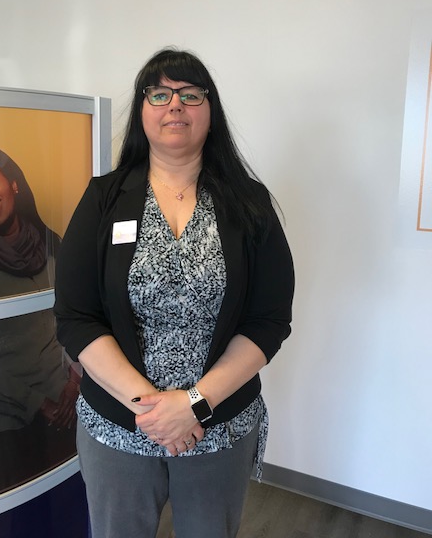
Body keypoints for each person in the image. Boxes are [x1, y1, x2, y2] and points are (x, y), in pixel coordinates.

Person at [54, 48, 295, 538]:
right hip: (118, 425)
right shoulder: (104, 198)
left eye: (190, 94)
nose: (175, 105)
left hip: (218, 424)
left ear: (211, 109)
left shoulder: (249, 203)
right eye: (160, 94)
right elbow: (76, 317)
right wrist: (153, 409)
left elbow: (269, 319)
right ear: (142, 110)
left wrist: (194, 405)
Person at [0, 145, 79, 495]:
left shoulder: (49, 243)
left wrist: (74, 383)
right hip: (6, 422)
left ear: (14, 184)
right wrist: (42, 405)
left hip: (67, 402)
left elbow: (75, 319)